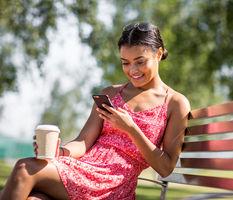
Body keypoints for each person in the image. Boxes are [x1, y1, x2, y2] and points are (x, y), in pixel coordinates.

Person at [0, 22, 190, 200]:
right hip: (84, 167)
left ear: (158, 54)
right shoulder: (111, 93)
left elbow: (165, 168)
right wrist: (61, 151)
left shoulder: (175, 103)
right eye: (125, 62)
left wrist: (132, 129)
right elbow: (83, 141)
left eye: (140, 62)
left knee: (24, 168)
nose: (133, 70)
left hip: (113, 182)